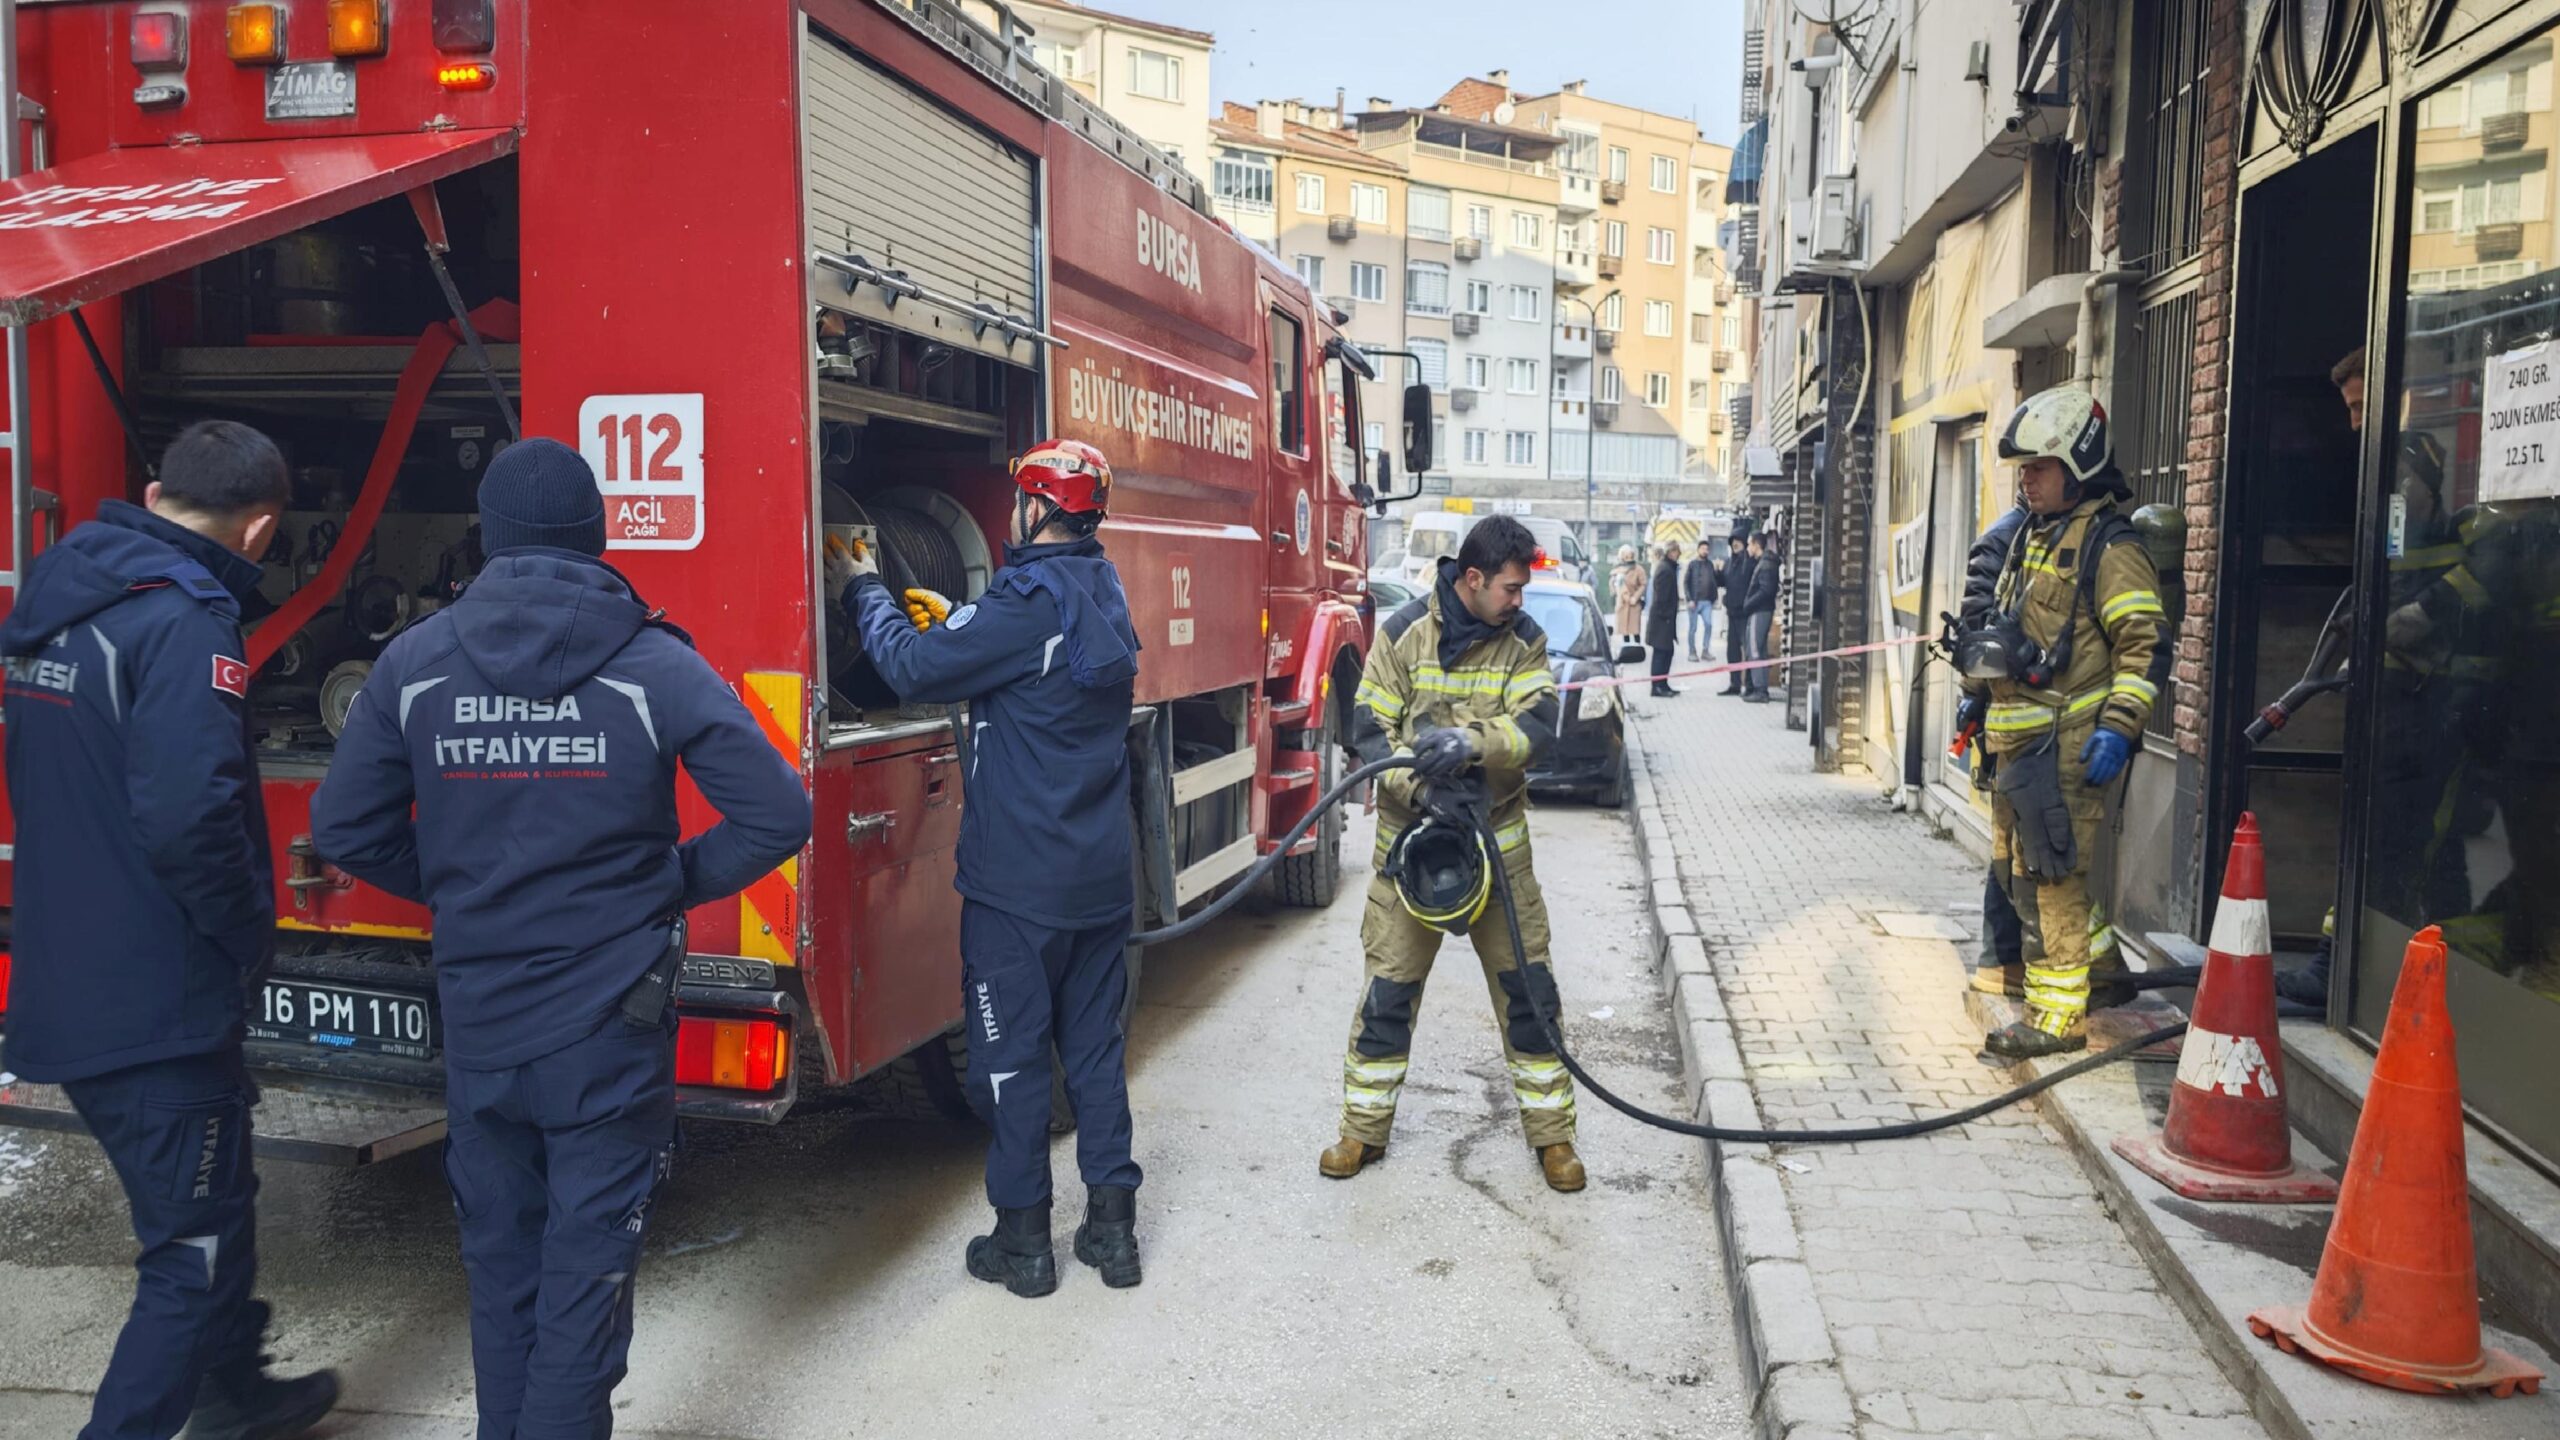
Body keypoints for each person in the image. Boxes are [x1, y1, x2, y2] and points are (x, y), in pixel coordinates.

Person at [314, 439, 812, 1436]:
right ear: (595, 538)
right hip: (609, 1030)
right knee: (583, 1285)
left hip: (482, 1025)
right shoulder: (651, 663)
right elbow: (777, 814)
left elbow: (343, 828)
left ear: (490, 543)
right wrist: (668, 884)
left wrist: (459, 888)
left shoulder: (415, 662)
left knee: (501, 1276)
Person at [0, 422, 338, 1440]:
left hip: (70, 964)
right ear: (264, 526)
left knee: (213, 1190)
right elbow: (193, 818)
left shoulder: (58, 601)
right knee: (186, 1253)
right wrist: (247, 936)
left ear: (153, 496)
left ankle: (232, 1395)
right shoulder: (186, 625)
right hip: (155, 995)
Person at [826, 438, 1147, 1299]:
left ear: (1038, 509)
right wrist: (962, 618)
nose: (1010, 512)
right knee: (1094, 1054)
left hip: (1019, 890)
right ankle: (1113, 1233)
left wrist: (865, 586)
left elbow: (908, 667)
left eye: (1019, 500)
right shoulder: (1102, 589)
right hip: (1097, 881)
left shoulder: (1024, 604)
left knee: (1007, 1064)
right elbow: (1015, 653)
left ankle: (1023, 1244)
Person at [1321, 515, 1585, 1193]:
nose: (1519, 600)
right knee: (1387, 994)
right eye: (1510, 587)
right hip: (1411, 854)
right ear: (1472, 580)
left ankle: (1553, 1139)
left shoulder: (1523, 641)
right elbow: (1367, 729)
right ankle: (1362, 1129)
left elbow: (1537, 727)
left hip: (1498, 854)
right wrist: (1419, 784)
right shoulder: (1405, 634)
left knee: (1531, 997)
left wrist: (1472, 744)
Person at [1965, 387, 2169, 1057]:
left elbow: (2144, 644)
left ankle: (2059, 1019)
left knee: (2051, 875)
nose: (2026, 481)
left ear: (2078, 466)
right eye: (2021, 470)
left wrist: (2121, 725)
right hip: (2017, 740)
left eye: (2039, 468)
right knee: (2022, 870)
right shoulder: (2035, 534)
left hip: (2071, 743)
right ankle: (2103, 973)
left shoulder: (2111, 547)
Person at [1959, 499, 2033, 1000]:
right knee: (2012, 844)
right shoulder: (2007, 539)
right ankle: (1999, 958)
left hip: (2026, 723)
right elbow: (1979, 632)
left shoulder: (2036, 533)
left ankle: (2001, 958)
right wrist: (1976, 701)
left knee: (2018, 843)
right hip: (2011, 720)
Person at [1742, 533, 1780, 703]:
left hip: (1759, 611)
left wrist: (1748, 603)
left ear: (1756, 545)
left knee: (1755, 649)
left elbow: (1765, 591)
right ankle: (1760, 687)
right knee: (1760, 649)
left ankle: (1760, 690)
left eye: (1749, 544)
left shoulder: (1765, 565)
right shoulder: (1765, 563)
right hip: (1761, 610)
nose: (1748, 547)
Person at [1647, 541, 1684, 697]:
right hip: (1662, 620)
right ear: (1671, 552)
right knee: (1661, 653)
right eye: (1677, 552)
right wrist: (1666, 614)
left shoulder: (1668, 568)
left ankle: (1663, 683)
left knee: (1667, 652)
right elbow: (1661, 597)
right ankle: (1657, 687)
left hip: (1665, 620)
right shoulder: (1665, 570)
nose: (1679, 555)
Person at [1718, 535, 1754, 695]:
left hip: (1745, 612)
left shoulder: (1750, 563)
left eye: (1738, 543)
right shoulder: (1728, 563)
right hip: (1732, 611)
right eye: (1733, 544)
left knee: (1748, 649)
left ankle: (1750, 684)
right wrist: (1717, 572)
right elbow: (1722, 582)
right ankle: (1735, 683)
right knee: (1732, 650)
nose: (1735, 545)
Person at [1683, 541, 1718, 662]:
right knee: (1693, 628)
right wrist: (1689, 599)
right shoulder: (1692, 564)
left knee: (1709, 624)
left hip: (1707, 602)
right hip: (1694, 602)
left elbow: (1715, 580)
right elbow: (1686, 583)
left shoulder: (1710, 564)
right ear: (1698, 550)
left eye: (1707, 549)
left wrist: (1714, 597)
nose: (1705, 551)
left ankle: (1705, 650)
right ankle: (1692, 652)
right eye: (1703, 548)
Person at [1612, 544, 1645, 650]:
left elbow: (1643, 584)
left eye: (1631, 556)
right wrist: (1625, 597)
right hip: (1622, 603)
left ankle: (1637, 648)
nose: (1629, 559)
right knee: (1624, 629)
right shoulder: (1617, 570)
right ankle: (1626, 648)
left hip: (1634, 603)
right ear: (1622, 557)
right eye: (1626, 557)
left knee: (1635, 628)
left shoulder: (1639, 569)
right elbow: (1615, 586)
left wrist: (1635, 597)